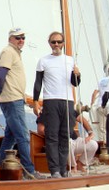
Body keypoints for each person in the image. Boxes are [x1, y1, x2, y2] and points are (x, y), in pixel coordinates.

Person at [0, 27, 42, 178]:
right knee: (23, 136)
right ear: (10, 39)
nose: (21, 40)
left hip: (14, 99)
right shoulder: (8, 52)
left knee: (10, 137)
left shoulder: (14, 53)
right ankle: (29, 171)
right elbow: (1, 75)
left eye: (23, 37)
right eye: (17, 37)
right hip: (12, 100)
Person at [33, 31, 81, 178]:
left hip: (67, 101)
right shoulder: (43, 61)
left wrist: (77, 75)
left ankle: (63, 169)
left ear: (63, 43)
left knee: (65, 136)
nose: (56, 45)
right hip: (50, 100)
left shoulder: (70, 60)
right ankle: (54, 170)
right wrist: (36, 101)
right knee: (52, 136)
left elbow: (75, 83)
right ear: (49, 43)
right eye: (53, 42)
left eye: (59, 42)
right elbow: (38, 83)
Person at [92, 65, 109, 141]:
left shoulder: (101, 81)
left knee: (102, 128)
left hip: (100, 106)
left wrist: (92, 104)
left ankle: (103, 148)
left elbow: (94, 93)